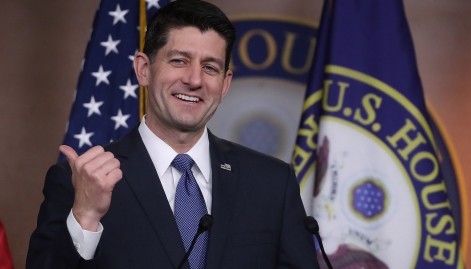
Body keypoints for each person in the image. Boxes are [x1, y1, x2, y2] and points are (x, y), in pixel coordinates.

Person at [26, 0, 319, 268]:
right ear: (143, 69)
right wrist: (86, 218)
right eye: (179, 60)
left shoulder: (271, 183)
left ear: (225, 83)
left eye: (210, 67)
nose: (194, 80)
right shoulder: (79, 182)